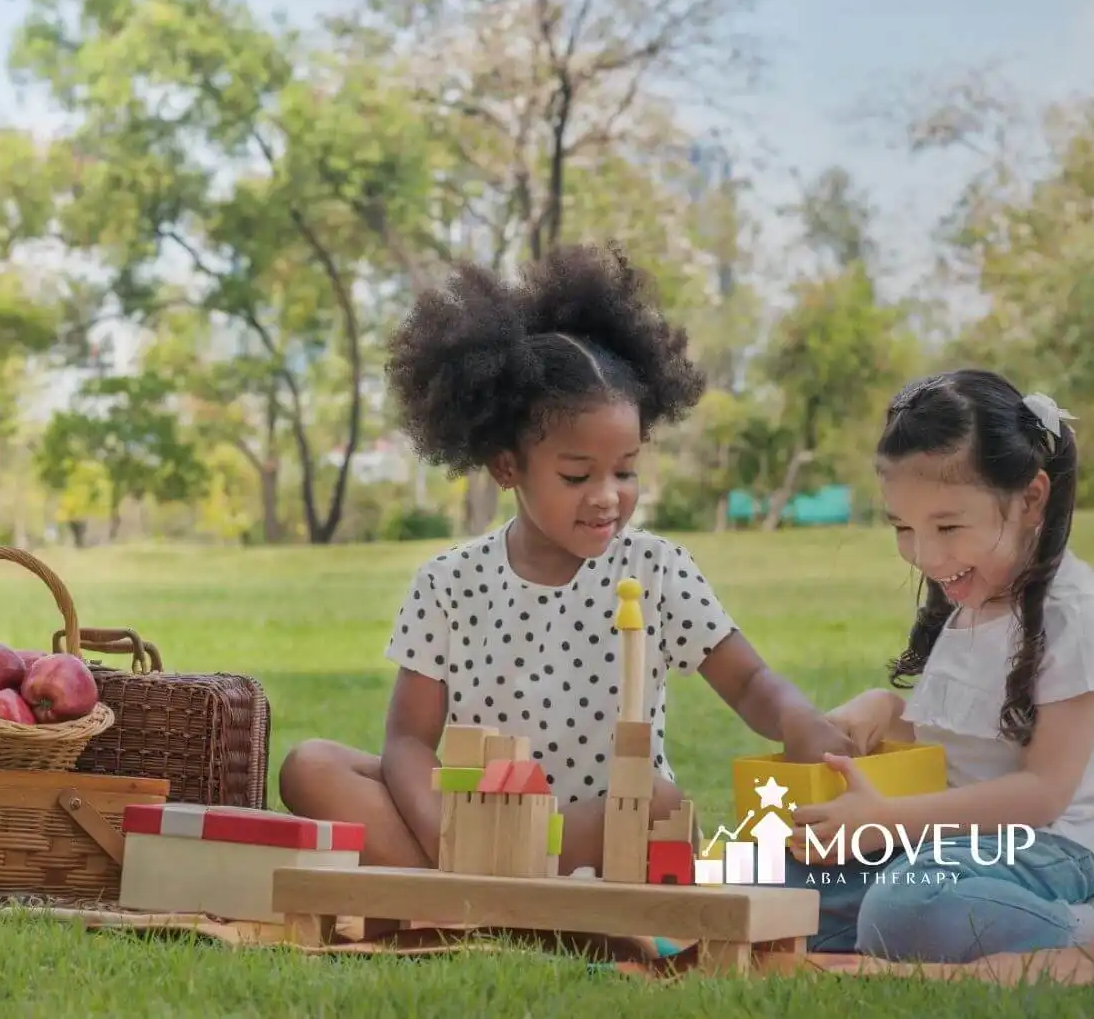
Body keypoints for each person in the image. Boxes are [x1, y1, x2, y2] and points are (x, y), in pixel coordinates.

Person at [279, 243, 857, 876]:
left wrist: (798, 719)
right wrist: (446, 833)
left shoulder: (654, 569)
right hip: (473, 817)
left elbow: (747, 681)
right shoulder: (447, 584)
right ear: (508, 467)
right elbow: (410, 741)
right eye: (578, 475)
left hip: (592, 825)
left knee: (660, 807)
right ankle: (480, 885)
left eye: (627, 470)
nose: (608, 496)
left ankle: (471, 892)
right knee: (311, 767)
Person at [784, 369, 1094, 962]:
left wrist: (888, 821)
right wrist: (883, 709)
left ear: (1031, 498)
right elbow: (969, 732)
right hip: (941, 843)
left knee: (905, 910)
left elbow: (1042, 794)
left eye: (948, 526)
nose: (926, 556)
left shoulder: (1074, 615)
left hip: (1045, 848)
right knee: (773, 879)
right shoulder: (972, 597)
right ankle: (919, 918)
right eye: (905, 528)